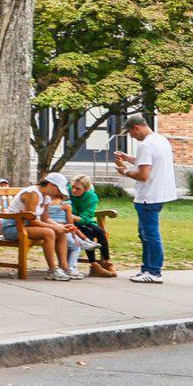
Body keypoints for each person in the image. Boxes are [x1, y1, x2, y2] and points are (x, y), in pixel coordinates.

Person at [113, 112, 178, 283]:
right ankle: (147, 268)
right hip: (160, 193)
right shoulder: (160, 140)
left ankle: (153, 271)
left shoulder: (145, 146)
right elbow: (148, 162)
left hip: (148, 195)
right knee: (145, 233)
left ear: (137, 127)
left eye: (131, 133)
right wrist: (128, 158)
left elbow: (143, 175)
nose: (132, 137)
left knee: (150, 234)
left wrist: (124, 171)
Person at [0, 179, 74, 280]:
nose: (59, 194)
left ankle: (65, 268)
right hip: (13, 227)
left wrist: (60, 227)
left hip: (27, 226)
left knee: (61, 233)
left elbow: (45, 219)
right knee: (49, 232)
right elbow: (33, 221)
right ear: (51, 185)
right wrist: (55, 227)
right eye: (59, 190)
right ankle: (52, 270)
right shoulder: (32, 194)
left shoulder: (46, 196)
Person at [39, 174, 92, 279]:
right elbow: (70, 223)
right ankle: (69, 267)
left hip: (56, 227)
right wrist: (62, 228)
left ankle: (66, 266)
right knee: (74, 244)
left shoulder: (47, 199)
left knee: (70, 234)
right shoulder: (64, 204)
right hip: (47, 228)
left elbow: (46, 218)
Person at [68, 174, 114, 277]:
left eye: (78, 189)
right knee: (88, 234)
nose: (74, 190)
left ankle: (107, 262)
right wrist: (69, 216)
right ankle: (94, 265)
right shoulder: (67, 192)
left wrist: (72, 216)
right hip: (70, 223)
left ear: (86, 189)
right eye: (73, 187)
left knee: (100, 232)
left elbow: (87, 218)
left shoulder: (91, 197)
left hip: (83, 222)